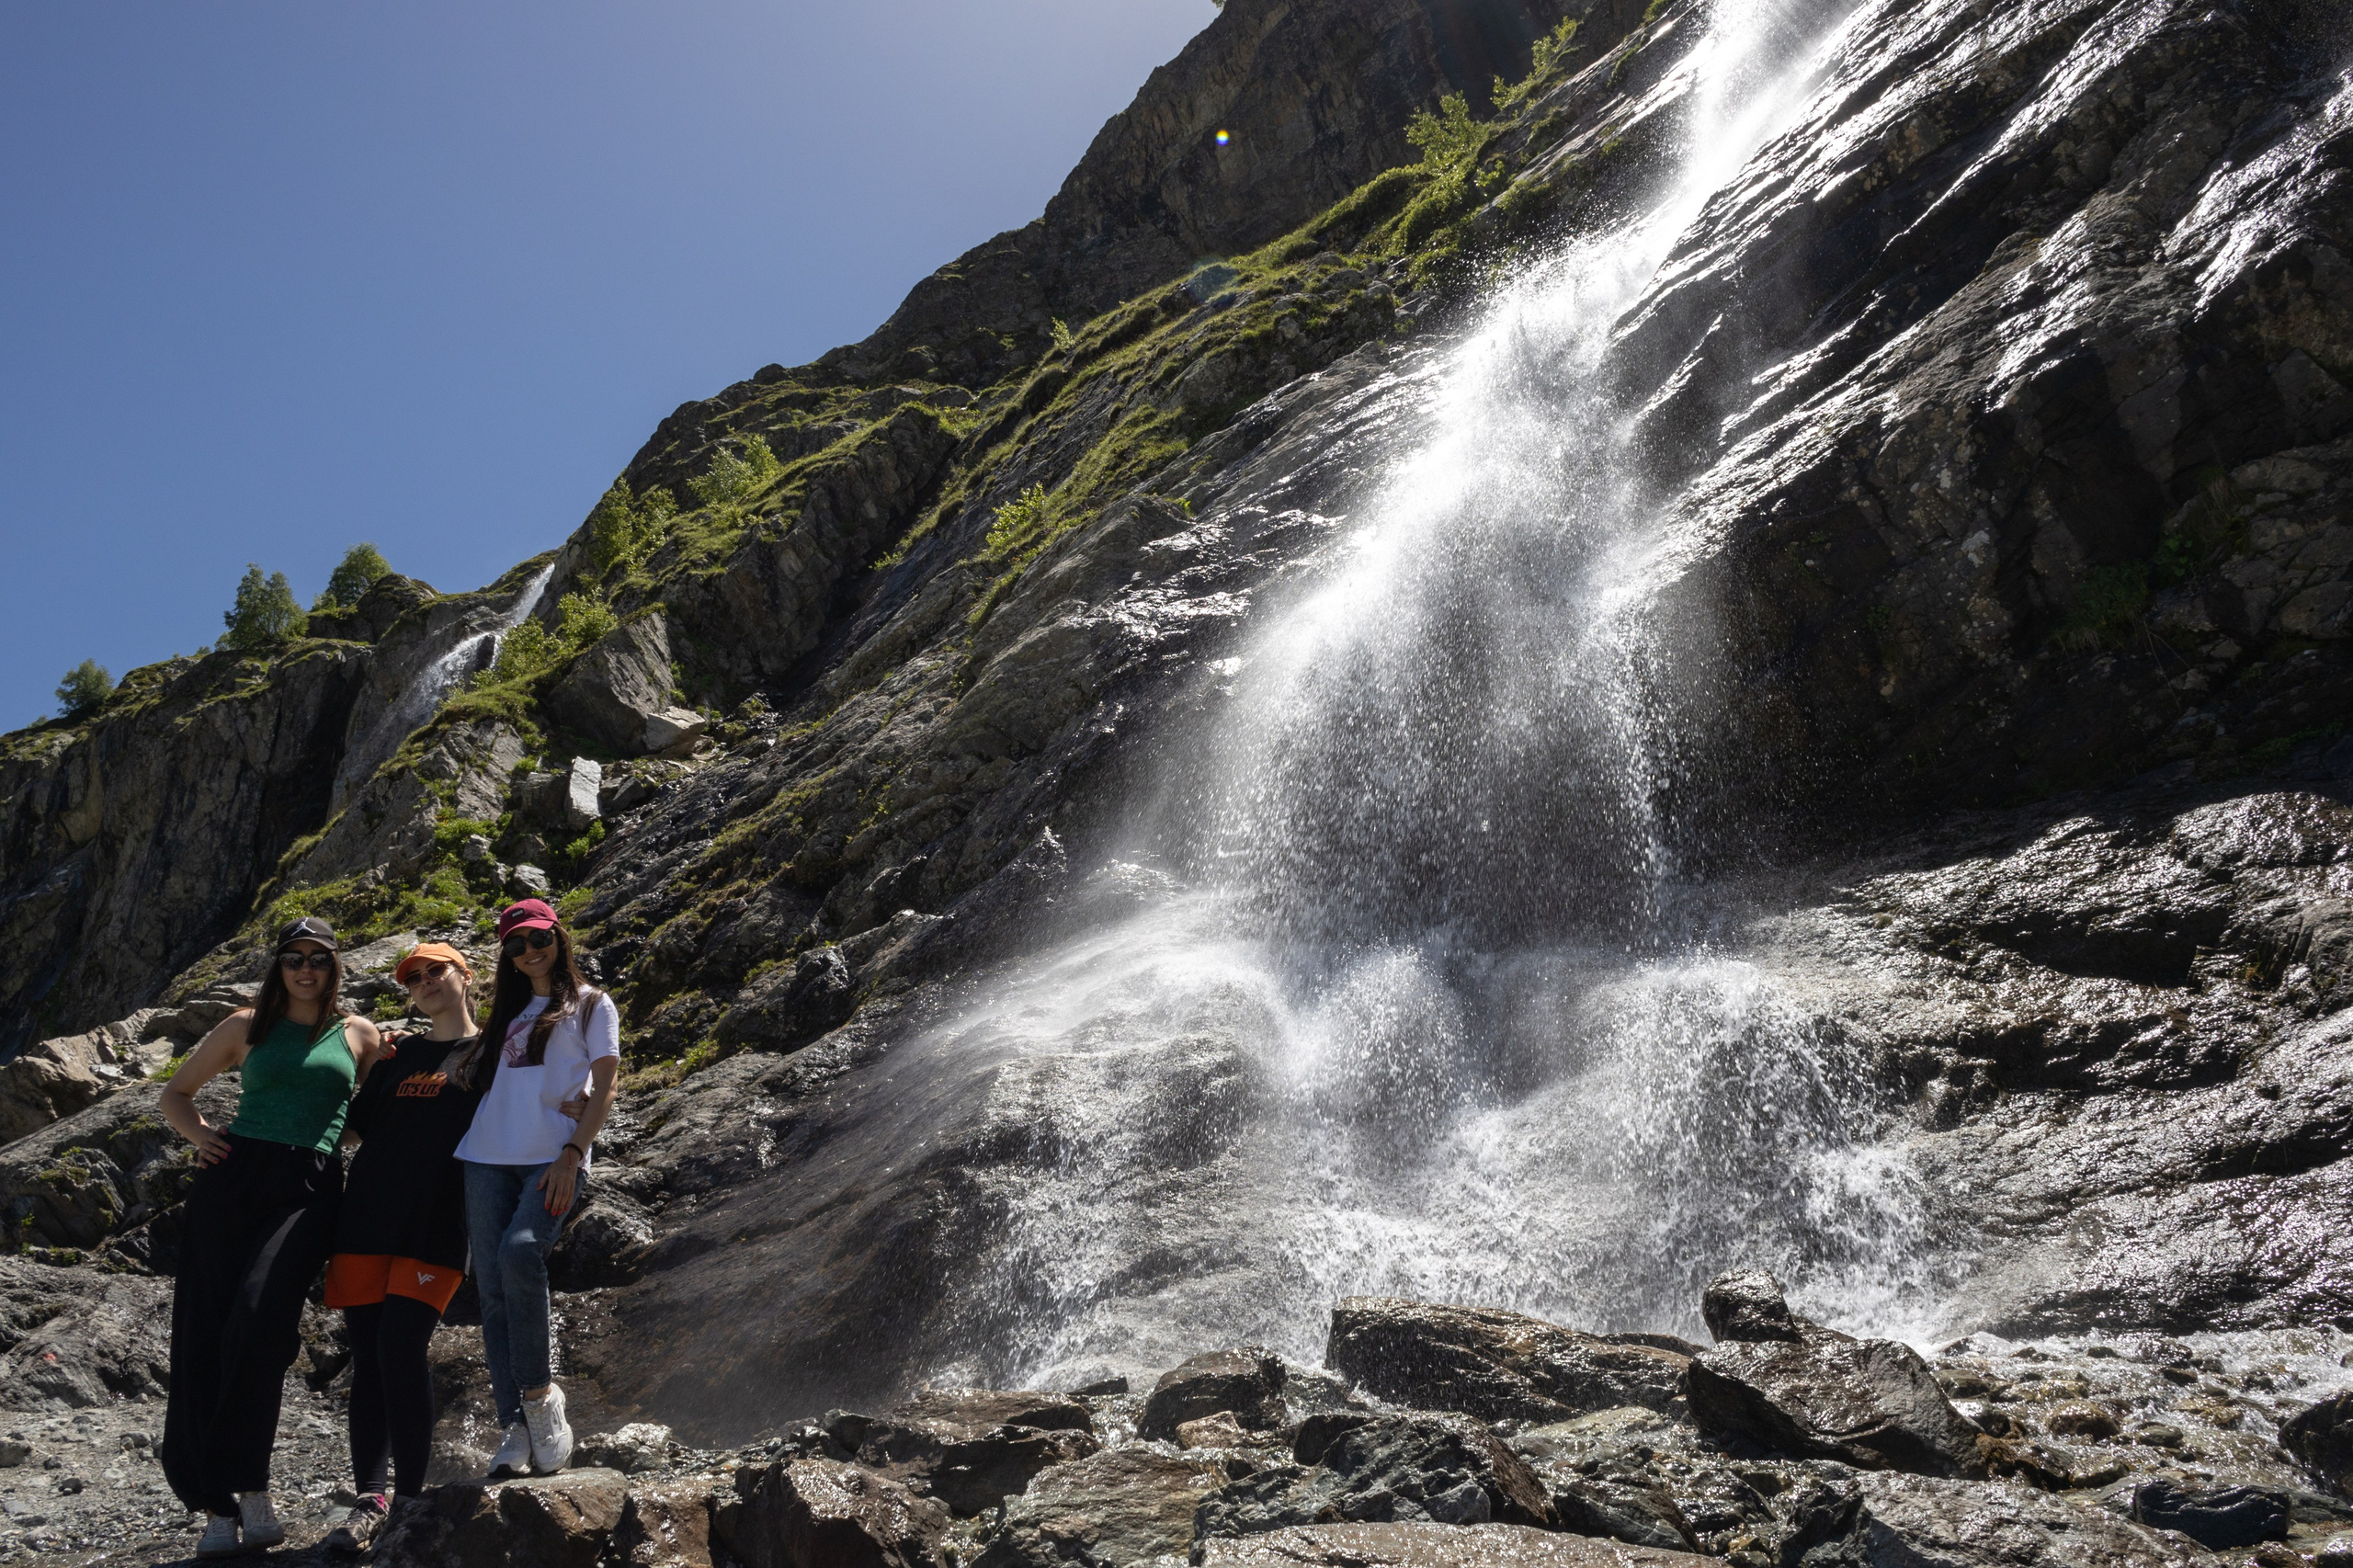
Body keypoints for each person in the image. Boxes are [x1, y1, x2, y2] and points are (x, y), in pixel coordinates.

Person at [158, 916, 383, 1561]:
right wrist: (203, 1137)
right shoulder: (244, 1025)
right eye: (293, 958)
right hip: (234, 1180)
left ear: (335, 966)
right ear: (278, 966)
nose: (306, 969)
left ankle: (250, 1484)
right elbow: (176, 1095)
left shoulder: (360, 1034)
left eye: (318, 958)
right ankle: (220, 1504)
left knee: (260, 1323)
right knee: (204, 1332)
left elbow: (372, 1118)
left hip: (311, 1186)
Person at [316, 941, 491, 1553]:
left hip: (437, 1225)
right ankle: (371, 1499)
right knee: (369, 1356)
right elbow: (354, 1126)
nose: (425, 982)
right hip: (366, 1218)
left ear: (466, 975)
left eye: (435, 971)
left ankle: (410, 1500)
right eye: (414, 978)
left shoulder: (492, 1053)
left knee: (400, 1346)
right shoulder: (400, 1054)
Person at [453, 899, 621, 1479]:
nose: (530, 951)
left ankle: (540, 1398)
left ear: (558, 937)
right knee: (492, 1290)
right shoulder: (506, 1011)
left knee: (521, 1251)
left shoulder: (592, 1004)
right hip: (484, 1156)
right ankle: (515, 1427)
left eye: (538, 938)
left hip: (552, 1158)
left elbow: (606, 1083)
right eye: (516, 944)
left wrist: (574, 1151)